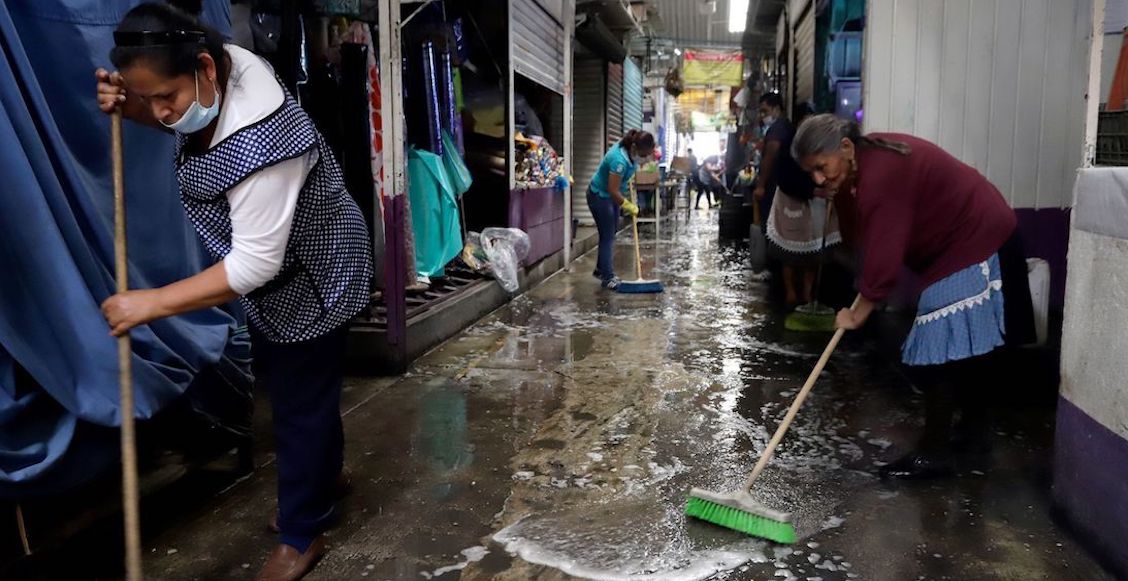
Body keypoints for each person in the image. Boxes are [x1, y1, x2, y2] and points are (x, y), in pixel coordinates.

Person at [96, 3, 371, 578]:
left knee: (299, 404)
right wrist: (134, 105)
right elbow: (182, 113)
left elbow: (249, 267)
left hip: (316, 277)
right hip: (283, 275)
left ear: (205, 68)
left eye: (164, 95)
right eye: (150, 99)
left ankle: (303, 531)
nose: (162, 111)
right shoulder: (223, 67)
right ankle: (326, 476)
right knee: (304, 394)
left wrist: (148, 304)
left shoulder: (263, 145)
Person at [791, 114, 1035, 480]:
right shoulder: (864, 164)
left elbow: (884, 259)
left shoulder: (881, 174)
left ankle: (934, 454)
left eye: (822, 168)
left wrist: (857, 314)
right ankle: (973, 435)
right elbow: (862, 240)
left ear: (845, 147)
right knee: (966, 347)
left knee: (939, 342)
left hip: (977, 236)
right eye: (812, 173)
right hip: (966, 239)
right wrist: (839, 195)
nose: (819, 179)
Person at [756, 97, 840, 307]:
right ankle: (791, 293)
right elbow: (785, 178)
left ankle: (808, 294)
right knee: (789, 252)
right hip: (790, 201)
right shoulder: (789, 146)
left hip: (815, 202)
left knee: (813, 252)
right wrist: (813, 190)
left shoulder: (825, 146)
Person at [587, 129, 655, 289]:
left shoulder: (629, 150)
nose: (645, 159)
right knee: (608, 236)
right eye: (644, 155)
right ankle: (608, 277)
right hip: (599, 196)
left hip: (610, 196)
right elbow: (612, 190)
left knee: (610, 233)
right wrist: (628, 205)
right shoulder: (619, 161)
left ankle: (600, 269)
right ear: (635, 148)